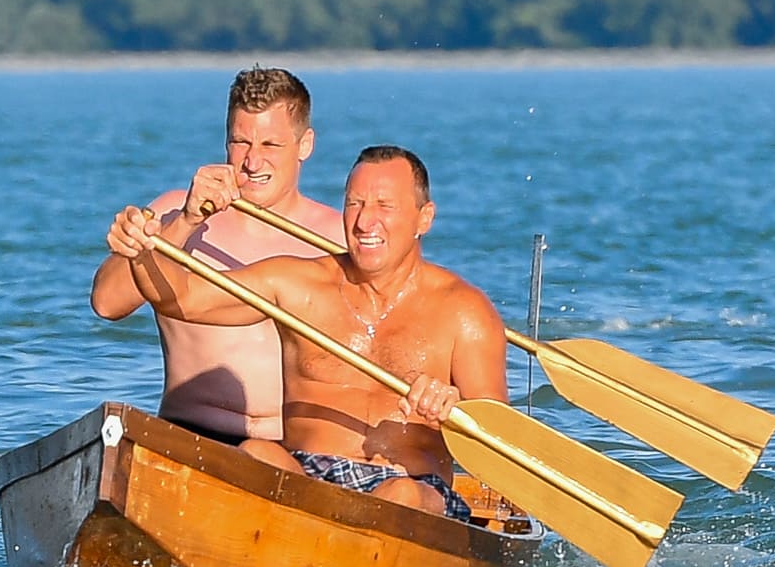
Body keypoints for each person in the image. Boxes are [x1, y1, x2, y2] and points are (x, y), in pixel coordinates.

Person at [106, 145, 506, 521]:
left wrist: (456, 411)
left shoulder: (464, 311)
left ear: (424, 218)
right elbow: (184, 300)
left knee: (400, 495)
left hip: (415, 488)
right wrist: (147, 248)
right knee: (258, 453)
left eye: (384, 206)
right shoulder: (299, 282)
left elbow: (501, 451)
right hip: (308, 478)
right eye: (355, 204)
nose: (365, 222)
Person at [86, 66, 343, 444]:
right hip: (190, 434)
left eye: (270, 145)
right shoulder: (173, 212)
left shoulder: (340, 239)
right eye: (241, 142)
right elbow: (107, 303)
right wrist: (187, 221)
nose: (252, 161)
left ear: (305, 145)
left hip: (294, 448)